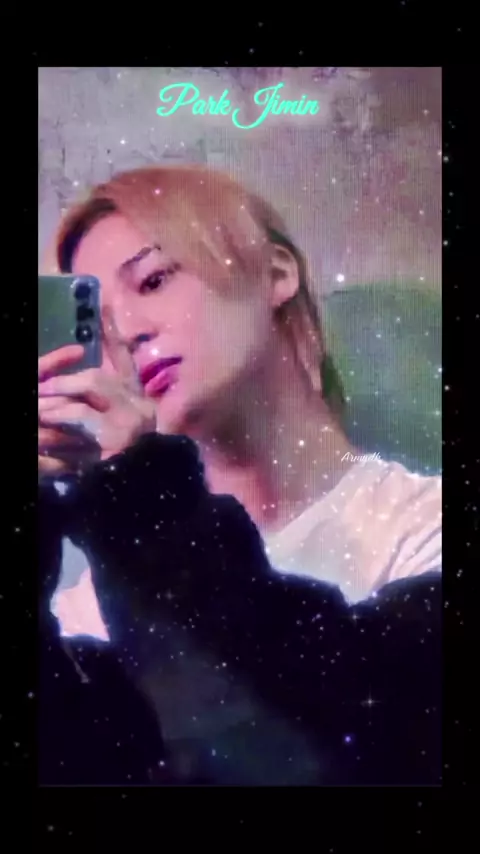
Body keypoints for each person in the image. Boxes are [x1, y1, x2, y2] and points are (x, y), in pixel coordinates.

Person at [39, 164, 441, 645]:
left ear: (276, 273)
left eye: (153, 280)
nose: (127, 331)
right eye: (100, 323)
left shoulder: (425, 531)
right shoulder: (87, 613)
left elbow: (281, 685)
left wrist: (141, 490)